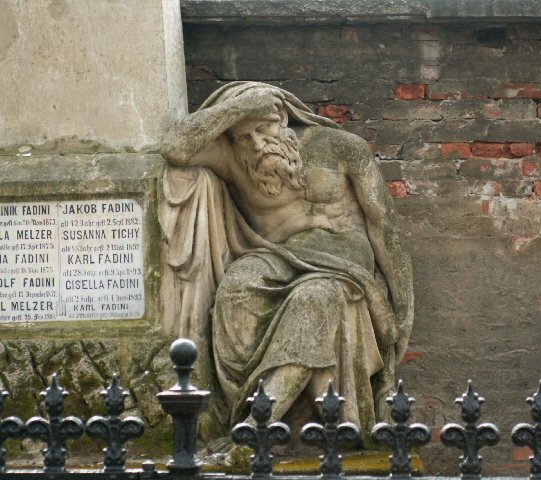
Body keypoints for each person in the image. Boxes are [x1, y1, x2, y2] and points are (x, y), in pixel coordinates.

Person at [159, 82, 413, 435]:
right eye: (244, 136)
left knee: (313, 298)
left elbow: (384, 224)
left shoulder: (339, 147)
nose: (257, 144)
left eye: (262, 129)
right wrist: (241, 107)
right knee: (235, 289)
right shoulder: (235, 160)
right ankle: (282, 410)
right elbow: (174, 147)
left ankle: (260, 424)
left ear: (281, 117)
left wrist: (402, 305)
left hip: (342, 255)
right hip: (279, 255)